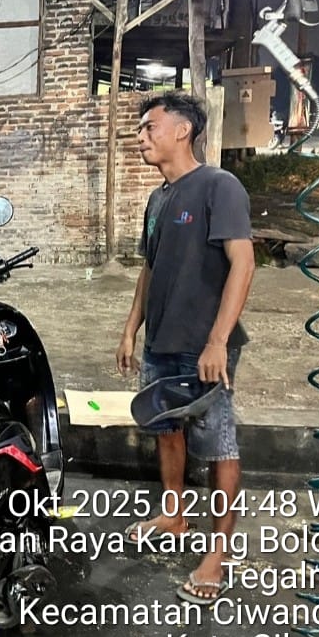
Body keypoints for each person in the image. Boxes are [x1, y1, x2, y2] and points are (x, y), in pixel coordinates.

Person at [115, 90, 255, 606]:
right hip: (162, 340)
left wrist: (217, 341)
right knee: (166, 430)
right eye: (140, 129)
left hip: (204, 346)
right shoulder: (158, 200)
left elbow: (243, 264)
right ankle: (174, 515)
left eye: (149, 127)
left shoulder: (220, 186)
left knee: (218, 445)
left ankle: (218, 554)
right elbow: (149, 270)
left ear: (182, 130)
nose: (141, 137)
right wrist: (131, 329)